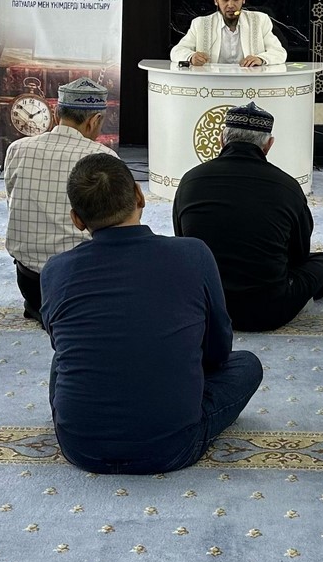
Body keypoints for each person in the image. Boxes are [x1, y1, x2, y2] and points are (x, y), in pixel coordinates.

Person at [41, 153, 263, 474]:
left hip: (81, 447)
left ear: (77, 219)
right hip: (172, 446)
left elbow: (60, 341)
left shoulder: (56, 270)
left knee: (64, 357)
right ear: (139, 195)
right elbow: (218, 351)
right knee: (247, 365)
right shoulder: (193, 253)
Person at [173, 102, 323, 331]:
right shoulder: (287, 187)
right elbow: (299, 254)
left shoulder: (190, 181)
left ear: (221, 139)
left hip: (205, 307)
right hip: (267, 312)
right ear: (268, 145)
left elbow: (183, 243)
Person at [3, 78, 115, 323]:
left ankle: (39, 309)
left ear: (55, 114)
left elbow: (11, 200)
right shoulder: (103, 157)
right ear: (94, 120)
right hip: (78, 282)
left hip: (30, 282)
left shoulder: (17, 149)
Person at [169, 0, 287, 68]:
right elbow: (176, 51)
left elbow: (279, 52)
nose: (230, 5)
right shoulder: (200, 24)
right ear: (216, 0)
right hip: (212, 83)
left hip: (250, 83)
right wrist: (191, 57)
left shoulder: (260, 20)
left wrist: (260, 59)